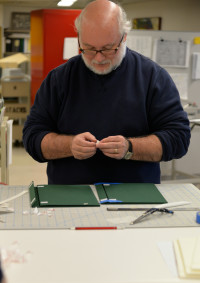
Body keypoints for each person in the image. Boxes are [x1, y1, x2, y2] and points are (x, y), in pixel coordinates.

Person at [23, 0, 190, 185]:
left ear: (124, 37)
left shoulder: (152, 77)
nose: (99, 58)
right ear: (79, 38)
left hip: (137, 197)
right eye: (89, 48)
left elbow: (179, 138)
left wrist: (130, 148)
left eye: (108, 49)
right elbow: (33, 137)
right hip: (69, 196)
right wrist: (69, 146)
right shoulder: (59, 79)